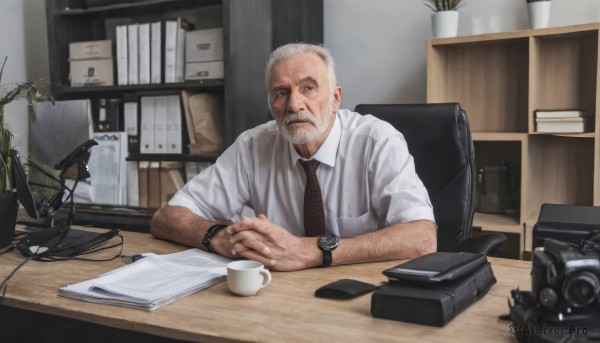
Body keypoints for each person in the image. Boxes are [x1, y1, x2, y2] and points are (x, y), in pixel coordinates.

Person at [150, 43, 437, 271]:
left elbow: (422, 238)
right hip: (280, 294)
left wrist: (307, 250)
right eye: (281, 93)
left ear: (336, 98)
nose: (294, 104)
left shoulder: (377, 141)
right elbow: (167, 217)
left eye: (308, 88)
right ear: (271, 104)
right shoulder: (252, 145)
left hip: (362, 292)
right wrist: (216, 235)